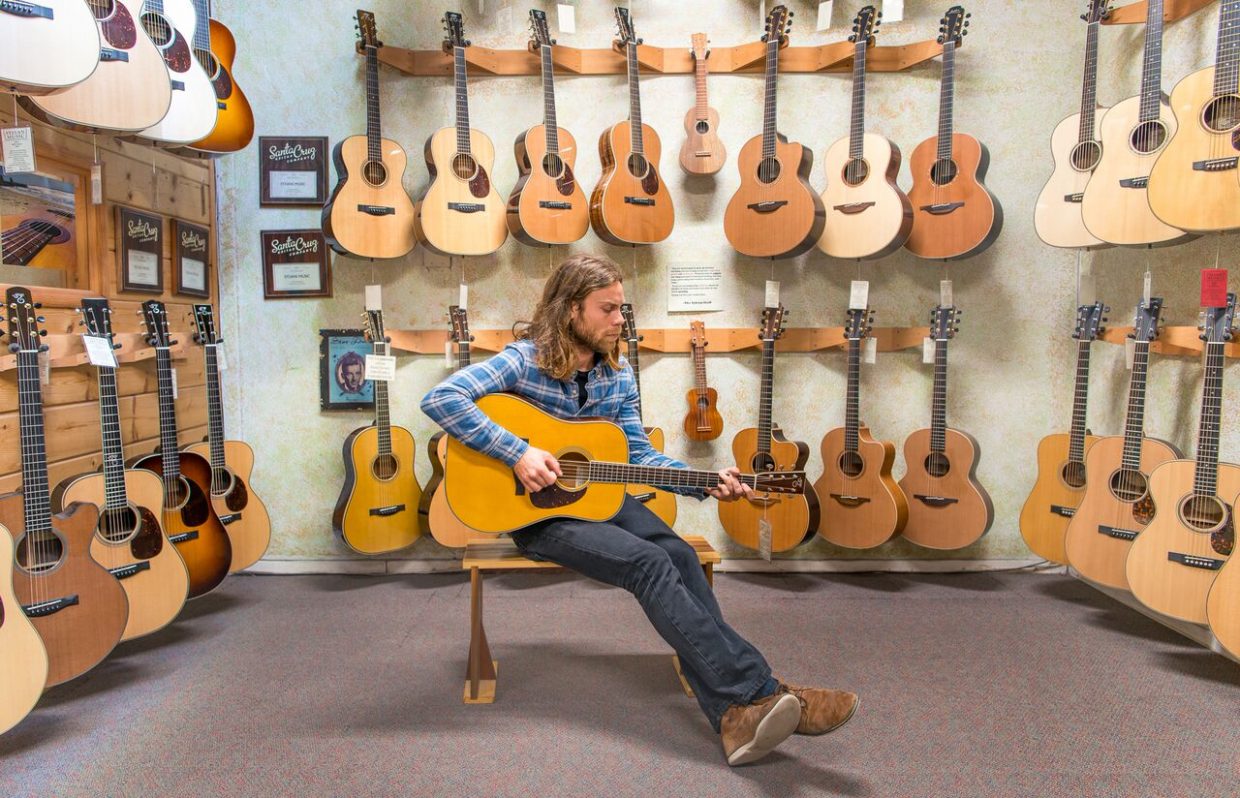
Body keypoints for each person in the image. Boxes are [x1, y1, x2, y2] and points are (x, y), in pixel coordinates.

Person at [421, 254, 857, 765]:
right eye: (607, 309)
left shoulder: (619, 374)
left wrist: (703, 482)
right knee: (648, 564)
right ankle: (761, 690)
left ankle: (734, 715)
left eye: (621, 309)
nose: (618, 321)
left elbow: (637, 457)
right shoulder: (523, 359)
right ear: (570, 311)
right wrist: (517, 453)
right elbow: (442, 398)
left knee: (679, 554)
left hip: (602, 498)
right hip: (536, 516)